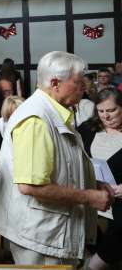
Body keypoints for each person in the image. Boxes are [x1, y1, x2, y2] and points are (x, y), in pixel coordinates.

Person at [0, 51, 114, 266]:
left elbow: (59, 168)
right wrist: (88, 196)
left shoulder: (53, 111)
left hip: (49, 231)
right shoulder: (36, 120)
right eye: (77, 82)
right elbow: (31, 186)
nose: (84, 87)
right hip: (38, 236)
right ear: (55, 83)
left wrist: (92, 184)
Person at [78, 88, 122, 270]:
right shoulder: (87, 129)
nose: (106, 116)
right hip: (91, 199)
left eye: (111, 111)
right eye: (101, 111)